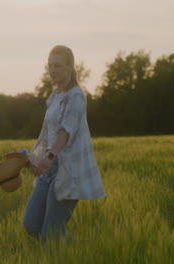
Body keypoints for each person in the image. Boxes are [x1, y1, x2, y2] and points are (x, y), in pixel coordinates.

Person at [23, 45, 106, 244]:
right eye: (50, 65)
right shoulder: (54, 97)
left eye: (57, 66)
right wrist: (31, 158)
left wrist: (50, 157)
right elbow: (46, 135)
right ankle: (70, 244)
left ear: (70, 67)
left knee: (49, 236)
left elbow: (65, 131)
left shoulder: (76, 95)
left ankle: (66, 249)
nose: (52, 70)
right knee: (31, 225)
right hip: (50, 171)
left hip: (68, 172)